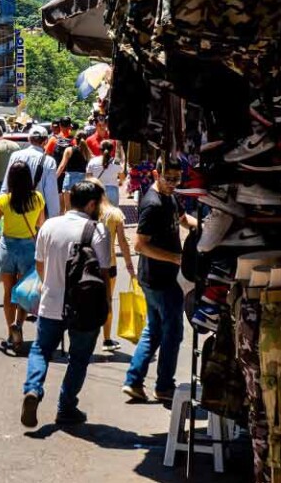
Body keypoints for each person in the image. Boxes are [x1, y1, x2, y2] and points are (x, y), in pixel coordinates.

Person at [20, 181, 111, 428]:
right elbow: (103, 273)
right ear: (91, 204)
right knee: (78, 358)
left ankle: (33, 389)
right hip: (85, 307)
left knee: (40, 350)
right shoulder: (98, 231)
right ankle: (66, 407)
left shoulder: (49, 226)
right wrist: (106, 305)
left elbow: (40, 265)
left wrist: (50, 284)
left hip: (50, 303)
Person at [123, 159, 197, 403]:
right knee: (172, 333)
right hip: (160, 279)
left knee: (154, 330)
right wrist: (176, 258)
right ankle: (164, 386)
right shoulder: (152, 204)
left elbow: (183, 219)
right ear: (157, 174)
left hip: (159, 278)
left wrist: (203, 227)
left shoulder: (170, 197)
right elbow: (140, 245)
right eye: (169, 178)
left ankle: (134, 381)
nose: (173, 183)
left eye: (177, 179)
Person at [0, 161, 47, 354]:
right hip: (28, 249)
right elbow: (41, 224)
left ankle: (10, 333)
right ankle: (19, 324)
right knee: (22, 291)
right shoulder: (38, 199)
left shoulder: (4, 201)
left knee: (8, 292)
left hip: (7, 248)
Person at [86, 176, 135, 352]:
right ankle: (106, 340)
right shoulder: (115, 213)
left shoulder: (84, 214)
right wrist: (130, 266)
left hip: (87, 263)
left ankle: (86, 338)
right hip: (109, 265)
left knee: (86, 301)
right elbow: (123, 242)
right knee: (107, 301)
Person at [2, 126, 61, 221]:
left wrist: (2, 210)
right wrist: (53, 218)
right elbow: (51, 193)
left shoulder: (15, 156)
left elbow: (6, 185)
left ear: (29, 139)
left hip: (15, 209)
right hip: (38, 213)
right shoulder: (49, 161)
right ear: (45, 141)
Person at [56, 131, 91, 213]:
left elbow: (61, 166)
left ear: (75, 139)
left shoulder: (69, 150)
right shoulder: (88, 152)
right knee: (81, 209)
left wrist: (54, 178)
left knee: (68, 209)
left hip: (70, 179)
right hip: (82, 181)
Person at [85, 140, 125, 205]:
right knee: (112, 211)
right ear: (112, 150)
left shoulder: (93, 161)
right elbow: (122, 177)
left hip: (97, 191)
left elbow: (88, 178)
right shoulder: (116, 162)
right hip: (112, 191)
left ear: (100, 150)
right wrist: (120, 182)